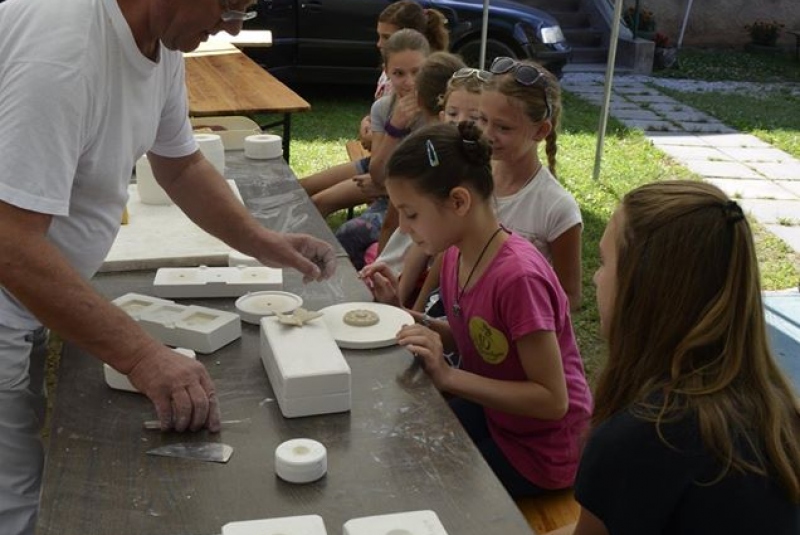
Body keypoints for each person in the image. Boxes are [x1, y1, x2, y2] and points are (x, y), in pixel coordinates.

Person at [0, 0, 336, 532]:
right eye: (229, 4)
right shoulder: (63, 49)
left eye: (245, 10)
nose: (231, 26)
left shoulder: (162, 37)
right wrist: (142, 355)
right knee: (11, 503)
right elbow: (11, 245)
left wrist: (261, 241)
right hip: (10, 289)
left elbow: (179, 165)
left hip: (26, 299)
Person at [547, 181, 800, 535]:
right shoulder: (776, 409)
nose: (595, 277)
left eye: (605, 263)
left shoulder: (644, 437)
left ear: (643, 289)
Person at [368, 121, 593, 498]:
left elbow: (553, 400)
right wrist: (406, 315)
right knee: (398, 448)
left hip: (541, 450)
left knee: (425, 488)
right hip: (499, 416)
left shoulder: (519, 278)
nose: (404, 229)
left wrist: (449, 377)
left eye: (411, 213)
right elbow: (478, 338)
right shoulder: (456, 253)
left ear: (458, 201)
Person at [300, 0, 449, 217]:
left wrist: (381, 182)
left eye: (387, 37)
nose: (380, 44)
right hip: (382, 156)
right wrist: (372, 123)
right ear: (388, 70)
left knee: (322, 202)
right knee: (305, 187)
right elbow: (382, 117)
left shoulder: (437, 98)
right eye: (379, 36)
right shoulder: (389, 82)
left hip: (401, 172)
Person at [334, 28, 430, 270]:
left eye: (416, 72)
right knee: (347, 233)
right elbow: (377, 172)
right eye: (399, 73)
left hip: (425, 204)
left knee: (352, 233)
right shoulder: (383, 109)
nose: (409, 82)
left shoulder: (438, 112)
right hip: (390, 200)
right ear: (387, 72)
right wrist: (395, 127)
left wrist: (383, 188)